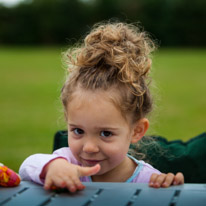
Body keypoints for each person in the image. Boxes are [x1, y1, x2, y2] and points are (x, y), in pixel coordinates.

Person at [19, 22, 184, 193]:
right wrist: (52, 167)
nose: (89, 147)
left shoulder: (148, 181)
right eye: (78, 131)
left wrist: (167, 188)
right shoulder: (66, 163)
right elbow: (27, 167)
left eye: (106, 133)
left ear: (136, 130)